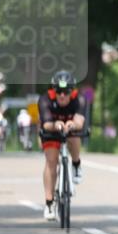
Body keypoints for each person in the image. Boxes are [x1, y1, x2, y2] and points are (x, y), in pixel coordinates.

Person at [39, 71, 87, 221]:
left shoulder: (79, 99)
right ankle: (49, 203)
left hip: (70, 130)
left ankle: (76, 164)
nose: (62, 95)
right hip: (52, 131)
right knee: (51, 161)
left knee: (74, 136)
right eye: (58, 91)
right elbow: (46, 124)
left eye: (66, 92)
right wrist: (56, 124)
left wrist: (73, 124)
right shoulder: (45, 99)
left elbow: (80, 121)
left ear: (71, 91)